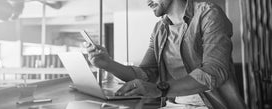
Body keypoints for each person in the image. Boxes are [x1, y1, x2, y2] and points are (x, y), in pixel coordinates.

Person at [85, 0, 246, 108]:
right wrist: (107, 64)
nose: (147, 1)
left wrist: (159, 89)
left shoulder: (208, 14)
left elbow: (215, 71)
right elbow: (145, 74)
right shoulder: (160, 30)